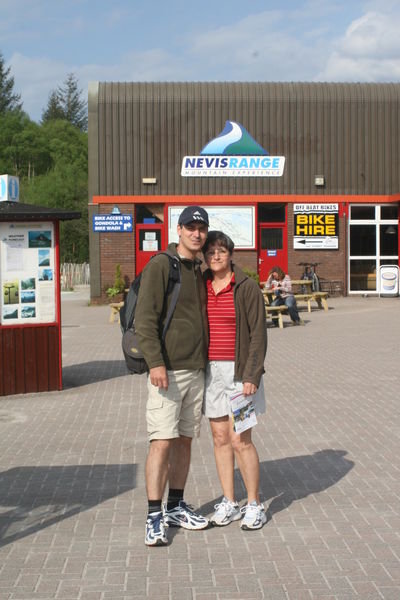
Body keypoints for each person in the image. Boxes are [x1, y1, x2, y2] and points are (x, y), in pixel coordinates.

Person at [135, 205, 210, 546]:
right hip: (168, 372)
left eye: (202, 228)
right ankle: (154, 514)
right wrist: (155, 363)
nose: (197, 233)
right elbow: (145, 319)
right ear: (178, 230)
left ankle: (176, 505)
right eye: (191, 227)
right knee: (161, 442)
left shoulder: (198, 269)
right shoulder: (162, 265)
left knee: (184, 441)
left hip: (195, 370)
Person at [202, 230, 268, 530]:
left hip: (240, 374)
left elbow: (258, 335)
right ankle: (229, 501)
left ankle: (254, 504)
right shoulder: (200, 285)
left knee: (241, 439)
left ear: (231, 254)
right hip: (212, 374)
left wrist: (251, 375)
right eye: (211, 251)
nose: (216, 255)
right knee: (219, 438)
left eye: (221, 250)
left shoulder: (246, 287)